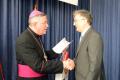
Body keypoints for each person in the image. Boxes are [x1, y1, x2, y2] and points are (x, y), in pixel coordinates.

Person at [16, 9, 75, 80]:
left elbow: (42, 55)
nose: (47, 25)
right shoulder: (24, 40)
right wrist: (63, 64)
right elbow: (38, 66)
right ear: (35, 24)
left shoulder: (35, 36)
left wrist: (59, 49)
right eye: (44, 23)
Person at [73, 10, 106, 80]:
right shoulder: (84, 35)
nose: (74, 24)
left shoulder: (94, 36)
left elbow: (95, 67)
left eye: (76, 21)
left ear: (84, 20)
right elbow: (83, 58)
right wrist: (73, 62)